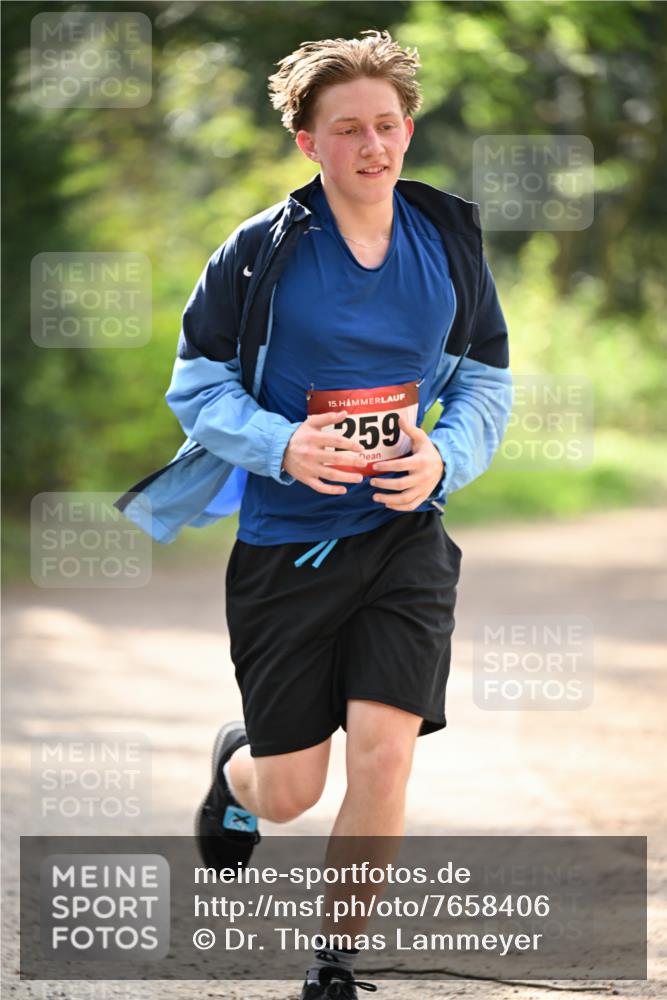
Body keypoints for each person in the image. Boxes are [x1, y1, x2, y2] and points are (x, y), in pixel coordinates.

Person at [115, 28, 512, 1000]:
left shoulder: (447, 243)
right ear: (309, 142)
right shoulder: (259, 252)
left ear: (407, 130)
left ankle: (332, 960)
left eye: (387, 126)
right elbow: (198, 386)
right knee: (293, 790)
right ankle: (236, 770)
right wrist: (281, 444)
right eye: (348, 130)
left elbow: (484, 382)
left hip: (404, 536)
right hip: (285, 547)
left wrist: (444, 456)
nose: (373, 147)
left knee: (382, 751)